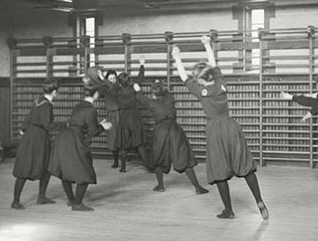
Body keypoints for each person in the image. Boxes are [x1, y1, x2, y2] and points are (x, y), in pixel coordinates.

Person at [171, 35, 268, 220]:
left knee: (219, 170)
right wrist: (208, 45)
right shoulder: (221, 84)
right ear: (212, 75)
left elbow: (183, 76)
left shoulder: (201, 91)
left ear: (200, 80)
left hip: (215, 130)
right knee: (245, 167)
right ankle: (259, 201)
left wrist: (177, 57)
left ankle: (229, 211)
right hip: (231, 127)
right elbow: (214, 65)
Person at [131, 61, 209, 195]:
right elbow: (162, 93)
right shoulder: (170, 98)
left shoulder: (151, 103)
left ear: (153, 93)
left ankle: (160, 185)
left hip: (160, 131)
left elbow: (140, 97)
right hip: (174, 129)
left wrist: (137, 88)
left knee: (158, 157)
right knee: (182, 156)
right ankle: (197, 187)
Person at [47, 78, 112, 211]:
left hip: (63, 138)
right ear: (96, 95)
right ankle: (77, 203)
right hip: (75, 140)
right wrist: (103, 127)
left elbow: (81, 124)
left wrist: (98, 125)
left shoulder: (79, 105)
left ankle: (72, 201)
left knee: (66, 171)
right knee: (85, 171)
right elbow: (93, 132)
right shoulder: (91, 110)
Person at [11, 78, 65, 210]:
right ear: (53, 92)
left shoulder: (38, 100)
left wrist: (23, 130)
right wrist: (64, 125)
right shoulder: (47, 105)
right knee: (29, 168)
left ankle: (40, 197)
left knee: (43, 167)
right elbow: (48, 125)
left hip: (31, 136)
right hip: (39, 139)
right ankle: (16, 201)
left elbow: (28, 118)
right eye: (57, 91)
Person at [103, 58, 148, 172]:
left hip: (124, 117)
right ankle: (148, 166)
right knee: (139, 143)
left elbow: (108, 84)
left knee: (123, 144)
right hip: (135, 117)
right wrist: (142, 65)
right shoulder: (133, 88)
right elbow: (140, 78)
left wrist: (102, 77)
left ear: (119, 81)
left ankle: (123, 168)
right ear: (128, 80)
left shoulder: (116, 91)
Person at [102, 69, 122, 168]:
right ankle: (115, 160)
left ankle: (122, 162)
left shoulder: (118, 87)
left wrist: (104, 79)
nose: (112, 80)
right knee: (111, 138)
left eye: (114, 78)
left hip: (118, 114)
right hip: (110, 114)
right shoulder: (105, 87)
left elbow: (113, 88)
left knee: (119, 137)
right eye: (110, 79)